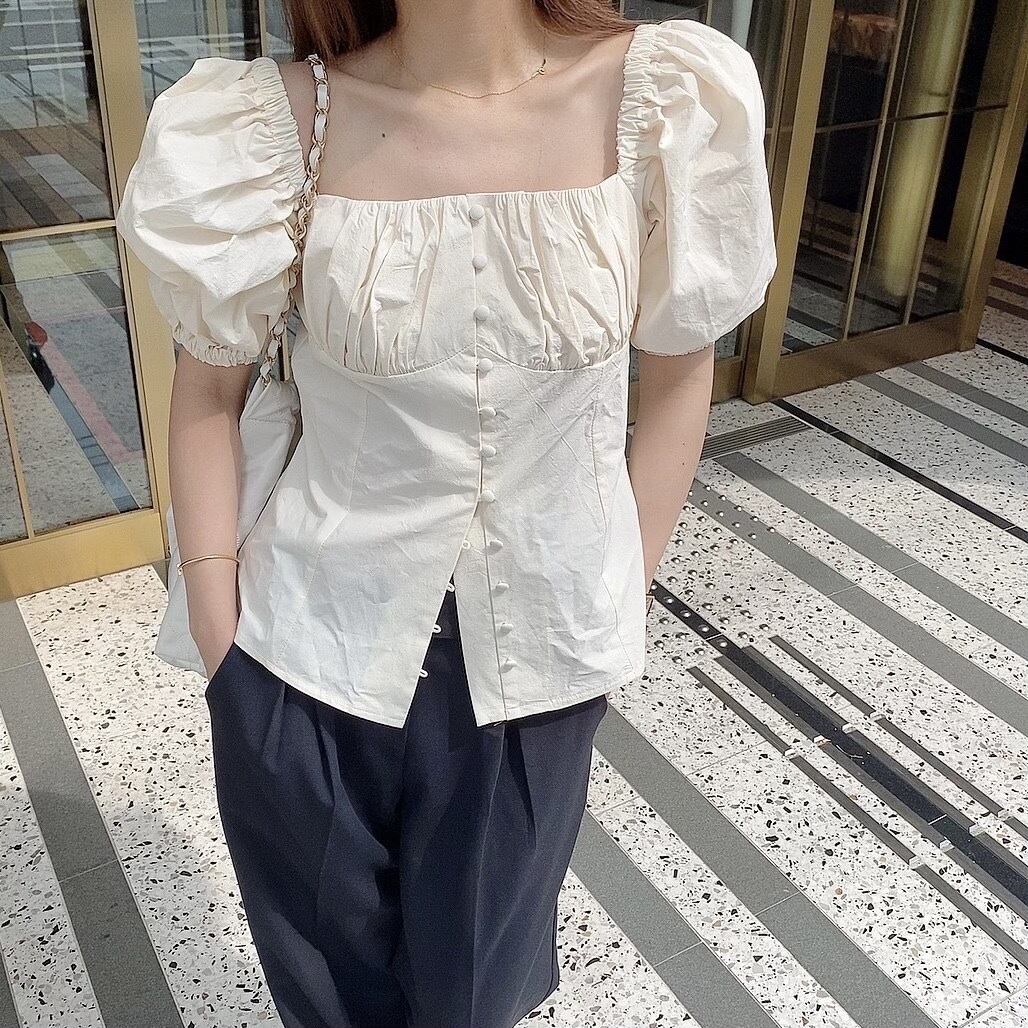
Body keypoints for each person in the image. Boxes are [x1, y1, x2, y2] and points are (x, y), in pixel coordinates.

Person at [115, 1, 776, 1025]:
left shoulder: (661, 100)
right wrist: (222, 647)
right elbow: (208, 391)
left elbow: (680, 372)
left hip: (536, 678)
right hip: (300, 657)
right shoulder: (274, 123)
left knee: (475, 993)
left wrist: (615, 596)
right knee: (326, 996)